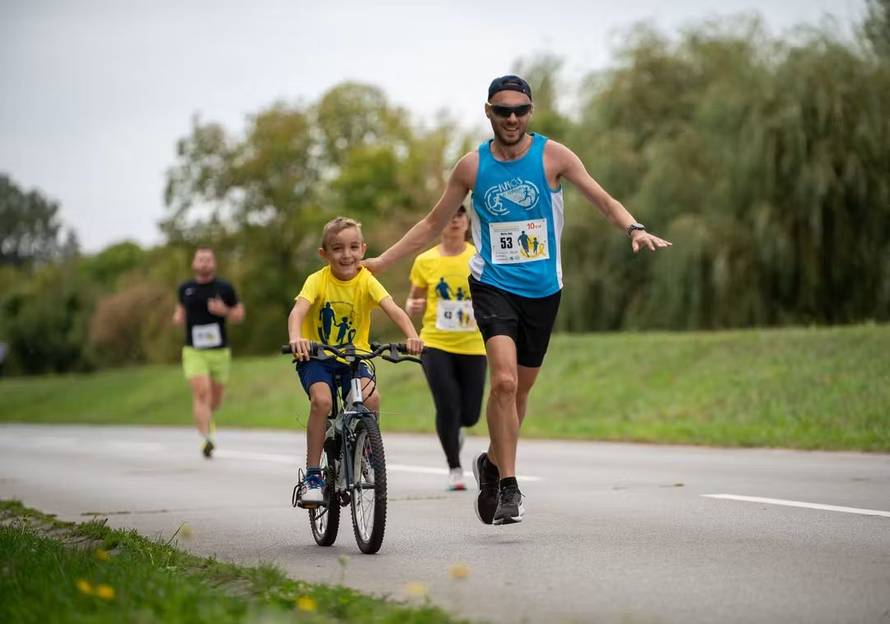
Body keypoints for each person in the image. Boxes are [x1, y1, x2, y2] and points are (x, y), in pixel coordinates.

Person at [364, 74, 671, 526]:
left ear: (530, 112)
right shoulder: (472, 166)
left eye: (520, 110)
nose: (512, 118)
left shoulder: (554, 156)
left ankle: (490, 461)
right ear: (487, 111)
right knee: (503, 383)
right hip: (492, 286)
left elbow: (603, 199)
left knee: (520, 392)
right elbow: (433, 223)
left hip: (544, 290)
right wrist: (384, 261)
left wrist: (634, 228)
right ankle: (508, 486)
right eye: (502, 110)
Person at [287, 217, 423, 508]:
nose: (346, 255)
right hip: (316, 358)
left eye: (352, 247)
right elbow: (298, 312)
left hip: (354, 358)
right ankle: (313, 476)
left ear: (363, 249)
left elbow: (394, 310)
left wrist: (413, 336)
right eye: (337, 249)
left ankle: (368, 453)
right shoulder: (317, 280)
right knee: (322, 402)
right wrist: (297, 338)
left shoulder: (366, 280)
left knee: (371, 398)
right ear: (324, 254)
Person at [405, 205, 487, 491]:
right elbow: (414, 300)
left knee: (470, 414)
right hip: (435, 342)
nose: (454, 220)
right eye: (449, 216)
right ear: (439, 224)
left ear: (467, 223)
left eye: (460, 216)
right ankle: (454, 467)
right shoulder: (424, 261)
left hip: (474, 343)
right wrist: (412, 306)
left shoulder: (479, 256)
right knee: (447, 404)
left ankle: (455, 432)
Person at [173, 247, 245, 458]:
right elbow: (180, 311)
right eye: (200, 259)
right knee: (201, 392)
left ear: (213, 263)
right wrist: (177, 317)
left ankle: (207, 420)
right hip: (194, 351)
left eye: (208, 259)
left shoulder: (224, 288)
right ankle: (206, 438)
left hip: (219, 351)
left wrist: (225, 311)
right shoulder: (185, 289)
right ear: (194, 263)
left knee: (215, 399)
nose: (204, 263)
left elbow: (239, 315)